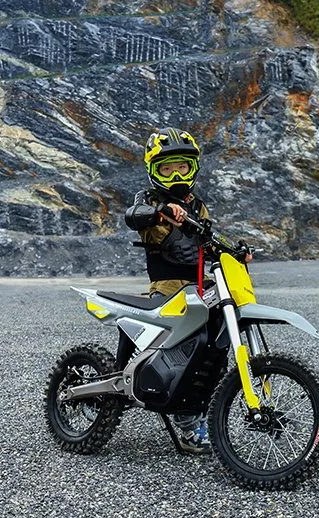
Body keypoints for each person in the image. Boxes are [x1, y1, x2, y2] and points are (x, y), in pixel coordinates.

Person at [121, 127, 214, 454]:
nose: (175, 175)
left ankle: (204, 410)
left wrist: (236, 251)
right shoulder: (149, 200)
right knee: (169, 344)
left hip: (199, 288)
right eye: (166, 168)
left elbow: (210, 240)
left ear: (194, 168)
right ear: (152, 171)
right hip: (166, 287)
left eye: (182, 167)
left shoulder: (198, 206)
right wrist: (161, 211)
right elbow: (133, 216)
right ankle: (124, 378)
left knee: (212, 347)